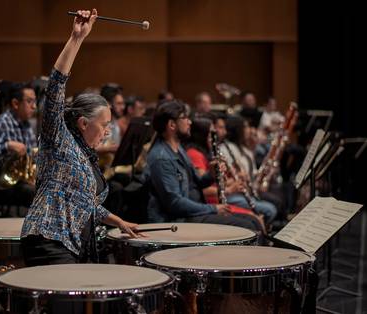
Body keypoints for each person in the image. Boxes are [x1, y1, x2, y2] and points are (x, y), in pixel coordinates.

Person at [21, 9, 138, 266]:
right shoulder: (59, 139)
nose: (108, 131)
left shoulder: (86, 153)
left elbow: (83, 202)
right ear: (84, 123)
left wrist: (117, 220)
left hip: (69, 245)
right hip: (47, 241)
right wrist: (77, 39)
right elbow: (55, 89)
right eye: (104, 125)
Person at [144, 100, 259, 231]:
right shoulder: (161, 157)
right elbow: (174, 203)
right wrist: (213, 208)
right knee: (247, 226)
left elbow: (198, 182)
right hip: (176, 221)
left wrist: (212, 174)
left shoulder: (178, 149)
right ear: (171, 125)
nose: (189, 122)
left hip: (190, 213)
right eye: (185, 118)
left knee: (253, 221)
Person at [185, 116, 277, 225]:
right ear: (201, 135)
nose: (213, 138)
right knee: (257, 218)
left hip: (219, 201)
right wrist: (230, 188)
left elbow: (213, 182)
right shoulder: (195, 154)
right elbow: (204, 189)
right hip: (212, 204)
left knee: (259, 216)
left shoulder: (207, 153)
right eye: (210, 135)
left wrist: (228, 178)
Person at [0, 82, 37, 207]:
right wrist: (7, 146)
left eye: (35, 101)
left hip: (21, 180)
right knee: (34, 192)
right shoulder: (0, 123)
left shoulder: (27, 125)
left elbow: (32, 156)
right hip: (2, 184)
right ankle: (32, 226)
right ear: (15, 103)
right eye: (30, 101)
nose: (34, 106)